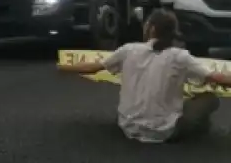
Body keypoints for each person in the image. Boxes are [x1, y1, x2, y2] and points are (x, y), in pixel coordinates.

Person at [58, 9, 231, 143]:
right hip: (164, 131)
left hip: (127, 126)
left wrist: (64, 66)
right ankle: (197, 133)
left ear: (151, 28)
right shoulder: (180, 57)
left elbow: (94, 67)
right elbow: (219, 78)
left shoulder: (128, 50)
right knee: (210, 99)